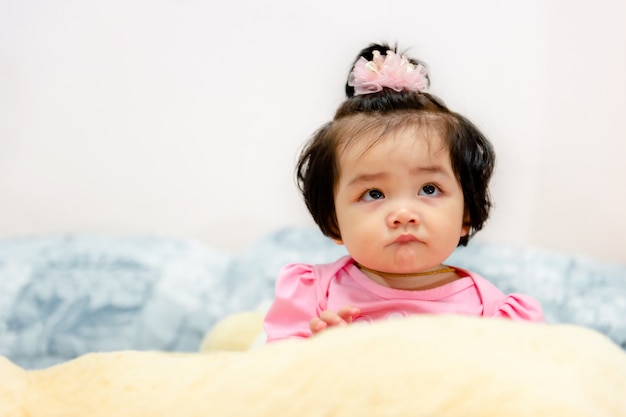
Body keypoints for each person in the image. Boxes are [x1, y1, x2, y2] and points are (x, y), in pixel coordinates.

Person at [264, 43, 544, 342]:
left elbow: (520, 379)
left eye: (429, 189)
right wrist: (318, 351)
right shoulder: (313, 295)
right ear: (333, 220)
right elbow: (277, 374)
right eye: (373, 194)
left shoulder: (494, 315)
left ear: (467, 212)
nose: (403, 215)